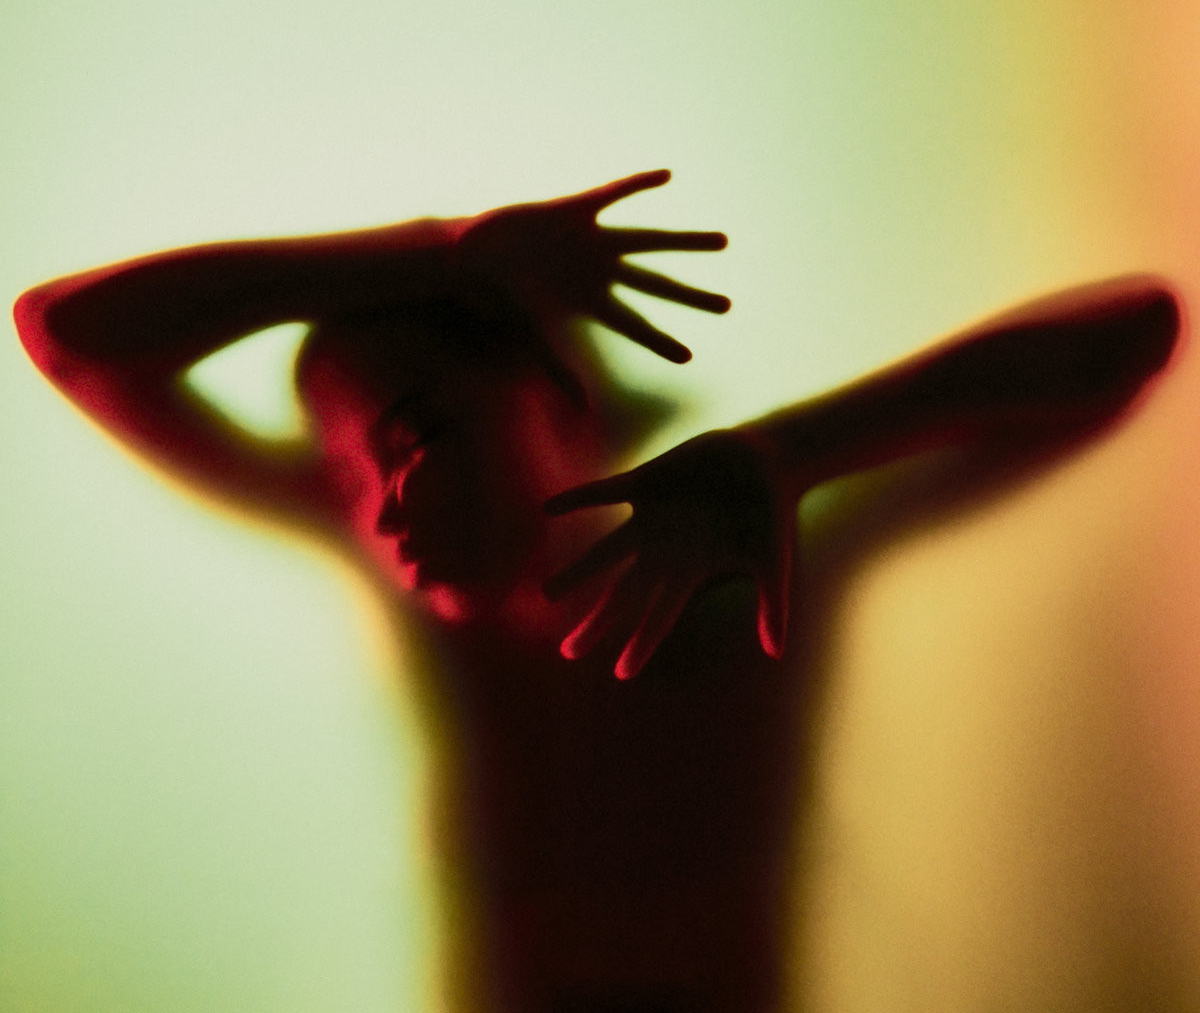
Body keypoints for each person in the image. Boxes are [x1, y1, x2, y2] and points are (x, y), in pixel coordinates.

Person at [13, 171, 1184, 1013]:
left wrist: (800, 451)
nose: (384, 507)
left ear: (562, 402)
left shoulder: (751, 577)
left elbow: (1133, 331)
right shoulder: (410, 581)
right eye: (350, 473)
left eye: (420, 440)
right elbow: (66, 332)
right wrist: (444, 252)